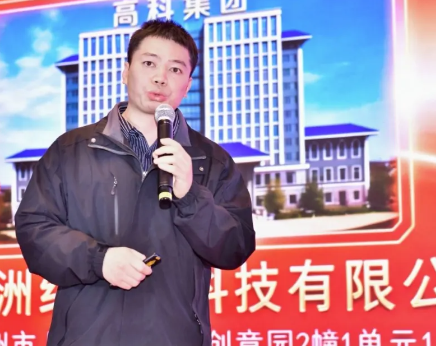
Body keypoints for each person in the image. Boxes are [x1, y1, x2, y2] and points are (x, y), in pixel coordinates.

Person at [14, 19, 256, 346]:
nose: (160, 77)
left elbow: (236, 247)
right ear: (126, 71)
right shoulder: (71, 151)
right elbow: (35, 229)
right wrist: (99, 260)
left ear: (188, 85)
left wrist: (190, 196)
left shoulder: (211, 161)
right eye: (149, 63)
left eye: (175, 69)